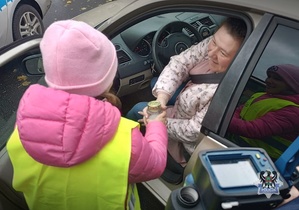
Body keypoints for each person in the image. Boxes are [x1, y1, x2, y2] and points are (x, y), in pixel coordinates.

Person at [6, 20, 168, 210]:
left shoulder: (22, 130)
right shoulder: (125, 137)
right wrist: (156, 124)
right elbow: (155, 165)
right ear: (108, 81)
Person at [126, 17, 247, 183]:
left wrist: (159, 123)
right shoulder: (213, 46)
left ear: (240, 60)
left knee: (138, 109)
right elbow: (180, 63)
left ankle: (129, 150)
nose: (211, 53)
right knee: (156, 85)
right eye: (213, 42)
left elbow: (193, 131)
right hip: (183, 106)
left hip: (187, 143)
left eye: (223, 53)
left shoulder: (225, 93)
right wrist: (162, 99)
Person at [228, 64, 299, 160]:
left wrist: (221, 119)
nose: (268, 80)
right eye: (269, 76)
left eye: (277, 79)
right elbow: (238, 111)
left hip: (260, 162)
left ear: (292, 85)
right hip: (236, 149)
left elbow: (253, 129)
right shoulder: (260, 95)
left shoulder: (293, 111)